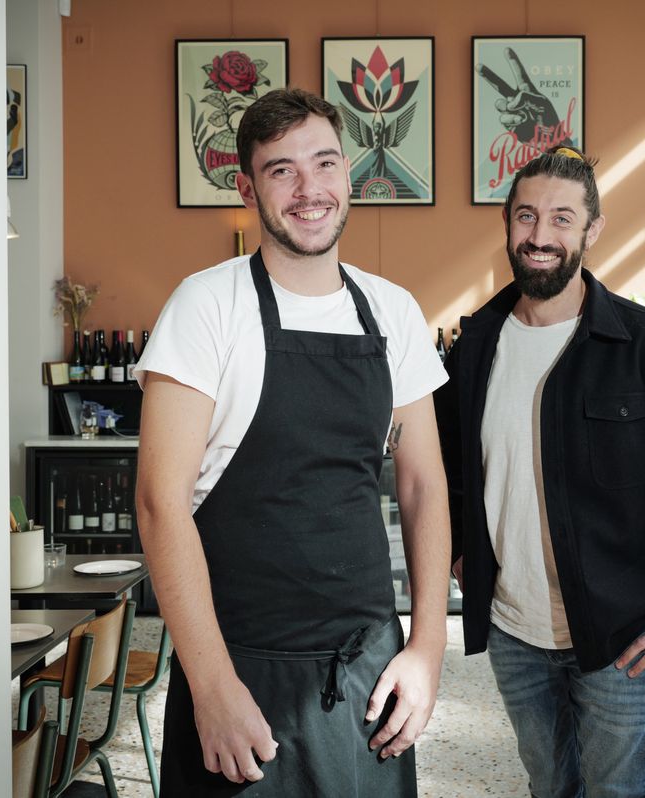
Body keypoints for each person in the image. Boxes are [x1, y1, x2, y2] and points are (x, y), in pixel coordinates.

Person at [135, 88, 450, 796]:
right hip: (240, 666)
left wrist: (426, 647)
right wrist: (210, 686)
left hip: (367, 671)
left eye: (325, 163)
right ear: (247, 187)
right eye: (282, 170)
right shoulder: (206, 306)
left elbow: (424, 483)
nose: (310, 189)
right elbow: (160, 503)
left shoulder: (392, 311)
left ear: (349, 174)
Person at [434, 146, 645, 797]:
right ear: (508, 224)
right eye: (527, 216)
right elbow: (447, 466)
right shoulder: (474, 345)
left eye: (562, 218)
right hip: (513, 629)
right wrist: (460, 550)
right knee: (550, 786)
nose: (540, 235)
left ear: (592, 230)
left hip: (625, 636)